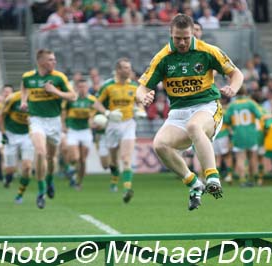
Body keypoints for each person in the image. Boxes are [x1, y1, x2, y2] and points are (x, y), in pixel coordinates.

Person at [136, 13, 244, 210]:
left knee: (194, 126)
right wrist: (142, 96)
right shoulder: (162, 58)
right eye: (178, 38)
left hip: (207, 106)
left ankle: (213, 177)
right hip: (178, 111)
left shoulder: (208, 51)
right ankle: (194, 183)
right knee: (160, 145)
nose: (183, 42)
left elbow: (236, 73)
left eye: (186, 37)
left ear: (193, 33)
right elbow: (141, 87)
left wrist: (233, 88)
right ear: (170, 34)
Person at [20, 49, 77, 209]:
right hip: (36, 119)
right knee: (40, 152)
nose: (54, 62)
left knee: (51, 158)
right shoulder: (28, 77)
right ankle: (41, 191)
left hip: (54, 121)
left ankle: (50, 179)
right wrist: (23, 101)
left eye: (54, 59)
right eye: (51, 60)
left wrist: (55, 91)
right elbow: (24, 87)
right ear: (41, 62)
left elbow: (73, 96)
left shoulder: (59, 77)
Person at [96, 58, 146, 203]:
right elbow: (96, 103)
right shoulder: (108, 86)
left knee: (125, 158)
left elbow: (139, 102)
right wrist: (107, 113)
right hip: (112, 124)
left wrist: (140, 110)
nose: (128, 70)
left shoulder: (134, 86)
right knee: (112, 161)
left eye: (129, 68)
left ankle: (127, 189)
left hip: (129, 123)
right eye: (125, 68)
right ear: (118, 70)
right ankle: (114, 177)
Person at [62, 78, 107, 190]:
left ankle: (78, 182)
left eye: (84, 86)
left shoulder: (91, 100)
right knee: (75, 157)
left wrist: (97, 122)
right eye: (80, 87)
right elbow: (63, 113)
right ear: (77, 88)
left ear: (87, 88)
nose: (82, 89)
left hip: (85, 131)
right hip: (73, 130)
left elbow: (96, 113)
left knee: (82, 160)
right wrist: (63, 125)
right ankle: (69, 168)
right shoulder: (71, 99)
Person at [0, 90, 34, 203]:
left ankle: (20, 194)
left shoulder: (37, 100)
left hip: (27, 136)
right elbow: (0, 117)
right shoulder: (12, 99)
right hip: (11, 134)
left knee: (27, 167)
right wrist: (3, 133)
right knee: (10, 169)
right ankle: (8, 178)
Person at [224, 87, 264, 187]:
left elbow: (226, 119)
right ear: (246, 92)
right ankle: (251, 179)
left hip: (238, 134)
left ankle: (242, 180)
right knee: (252, 157)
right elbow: (260, 116)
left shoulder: (232, 105)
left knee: (240, 158)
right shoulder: (251, 103)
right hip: (251, 134)